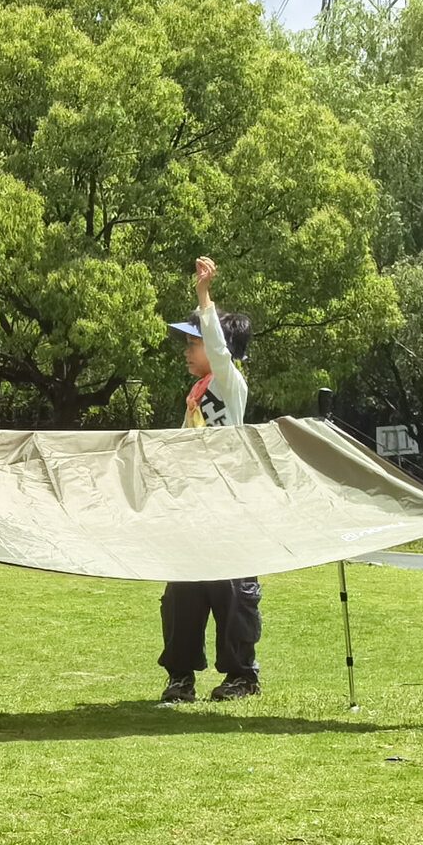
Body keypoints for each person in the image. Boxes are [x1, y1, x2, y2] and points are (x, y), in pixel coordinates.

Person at [158, 257, 262, 703]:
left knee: (233, 592)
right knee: (182, 593)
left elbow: (219, 350)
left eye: (193, 340)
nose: (186, 348)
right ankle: (180, 676)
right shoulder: (197, 394)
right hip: (192, 509)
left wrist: (204, 295)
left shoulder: (229, 383)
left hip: (229, 510)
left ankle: (242, 675)